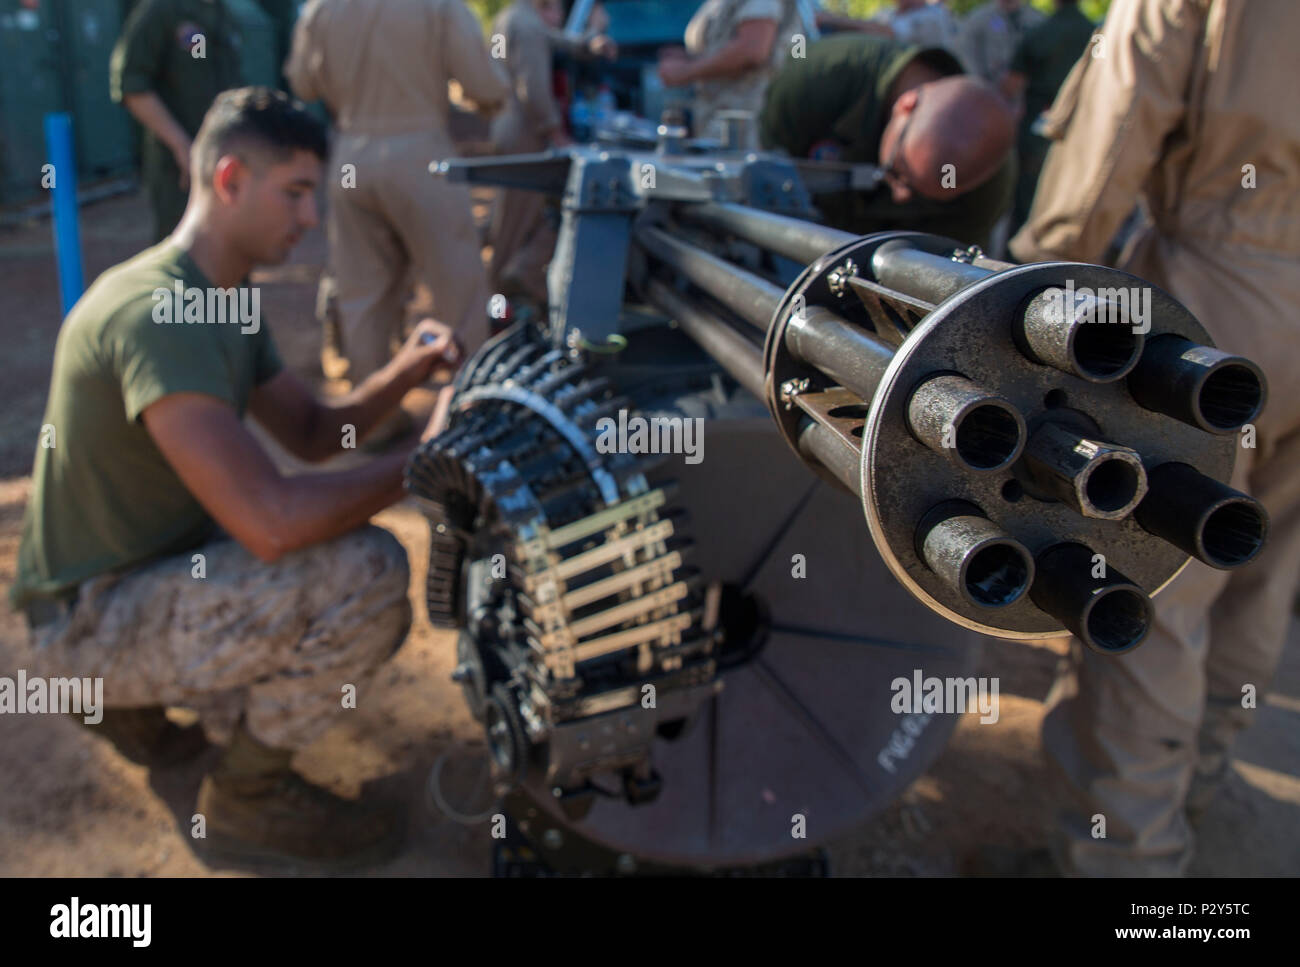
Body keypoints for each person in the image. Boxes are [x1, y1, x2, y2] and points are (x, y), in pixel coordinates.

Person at [12, 88, 463, 869]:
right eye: (294, 193)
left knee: (288, 565)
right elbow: (272, 521)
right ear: (228, 180)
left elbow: (320, 435)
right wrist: (429, 459)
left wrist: (407, 369)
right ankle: (248, 800)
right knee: (367, 571)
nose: (311, 218)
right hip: (84, 622)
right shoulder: (159, 313)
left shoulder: (220, 301)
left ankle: (138, 713)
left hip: (129, 581)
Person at [1009, 0, 1300, 876]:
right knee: (1263, 570)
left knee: (1152, 592)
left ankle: (1125, 867)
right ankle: (1196, 792)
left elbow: (1115, 128)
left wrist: (1030, 296)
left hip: (1218, 296)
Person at [284, 0, 509, 391]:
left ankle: (373, 417)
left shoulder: (321, 9)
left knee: (362, 296)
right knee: (460, 290)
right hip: (422, 155)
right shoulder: (440, 6)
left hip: (351, 156)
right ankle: (471, 407)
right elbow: (484, 85)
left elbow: (302, 83)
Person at [759, 31, 1015, 249]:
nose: (902, 196)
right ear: (906, 106)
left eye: (919, 195)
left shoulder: (987, 176)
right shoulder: (818, 80)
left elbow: (951, 266)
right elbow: (766, 183)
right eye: (899, 172)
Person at [487, 0, 617, 306]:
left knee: (517, 218)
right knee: (514, 226)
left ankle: (508, 298)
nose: (559, 12)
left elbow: (558, 41)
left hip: (510, 125)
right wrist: (556, 133)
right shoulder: (526, 24)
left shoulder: (513, 18)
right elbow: (532, 87)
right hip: (525, 131)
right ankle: (498, 307)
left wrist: (590, 42)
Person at [110, 0, 246, 242]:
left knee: (233, 246)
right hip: (178, 168)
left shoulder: (222, 12)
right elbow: (133, 88)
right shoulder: (160, 10)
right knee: (186, 252)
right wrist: (182, 146)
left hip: (227, 157)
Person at [657, 0, 810, 148]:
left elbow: (753, 50)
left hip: (747, 126)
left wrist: (686, 71)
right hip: (722, 122)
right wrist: (688, 58)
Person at [999, 0, 1094, 234]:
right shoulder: (1095, 34)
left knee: (1026, 203)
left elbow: (1011, 85)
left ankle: (1019, 262)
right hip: (1080, 131)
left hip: (1037, 130)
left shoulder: (1038, 33)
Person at [957, 0, 1044, 85]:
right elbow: (967, 58)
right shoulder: (978, 20)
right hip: (989, 89)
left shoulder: (1037, 20)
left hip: (1029, 90)